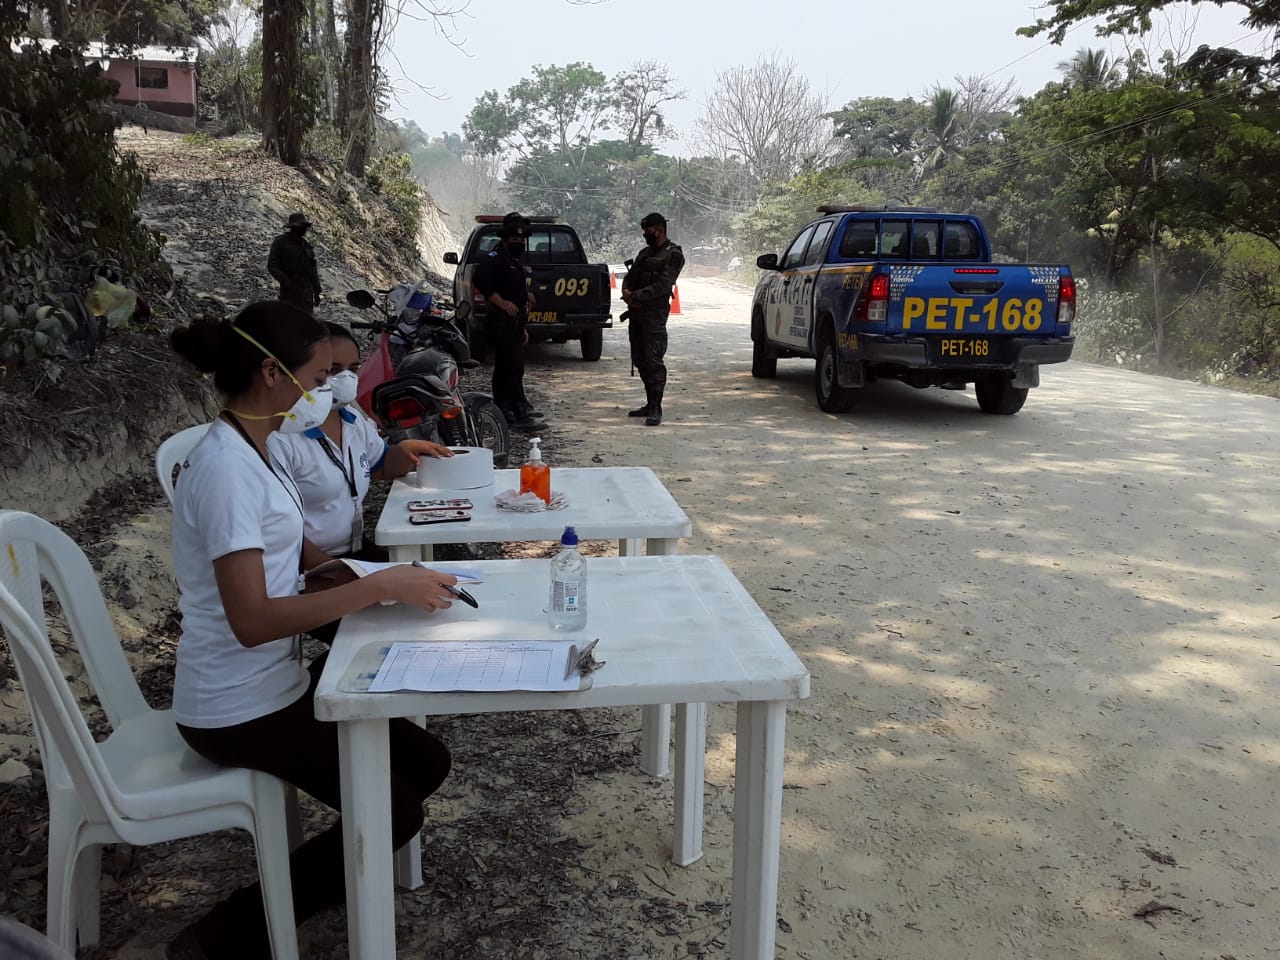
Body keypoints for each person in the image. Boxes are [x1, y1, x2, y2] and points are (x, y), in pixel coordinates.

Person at [165, 300, 456, 960]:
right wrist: (376, 586)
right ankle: (222, 936)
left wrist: (351, 580)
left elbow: (286, 555)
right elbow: (252, 620)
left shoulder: (256, 448)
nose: (326, 391)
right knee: (396, 811)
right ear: (272, 374)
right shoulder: (225, 471)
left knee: (424, 760)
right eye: (319, 376)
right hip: (233, 707)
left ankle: (318, 881)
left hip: (275, 683)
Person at [269, 322, 453, 562]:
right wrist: (340, 573)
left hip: (354, 550)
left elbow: (379, 465)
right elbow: (275, 531)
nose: (345, 378)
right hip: (304, 564)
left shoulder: (352, 419)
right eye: (332, 370)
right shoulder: (281, 436)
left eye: (353, 369)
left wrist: (407, 452)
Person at [471, 212, 544, 430]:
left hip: (514, 323)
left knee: (507, 368)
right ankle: (518, 415)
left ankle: (508, 409)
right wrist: (500, 302)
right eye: (514, 239)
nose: (519, 243)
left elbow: (514, 287)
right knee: (512, 367)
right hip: (501, 322)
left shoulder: (514, 261)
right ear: (505, 239)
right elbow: (480, 280)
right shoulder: (495, 258)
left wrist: (527, 297)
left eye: (522, 240)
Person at [621, 212, 684, 426]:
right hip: (636, 313)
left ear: (660, 230)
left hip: (654, 315)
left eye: (648, 232)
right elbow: (630, 278)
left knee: (654, 360)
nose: (646, 235)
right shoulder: (644, 253)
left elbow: (664, 285)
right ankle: (649, 403)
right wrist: (628, 293)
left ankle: (656, 407)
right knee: (639, 359)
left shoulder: (674, 254)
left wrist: (636, 297)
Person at [267, 213, 322, 315]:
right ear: (294, 227)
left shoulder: (307, 246)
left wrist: (317, 291)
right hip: (289, 293)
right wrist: (285, 280)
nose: (305, 230)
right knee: (289, 322)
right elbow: (272, 265)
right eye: (302, 227)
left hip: (306, 296)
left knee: (305, 324)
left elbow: (313, 270)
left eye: (305, 227)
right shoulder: (280, 242)